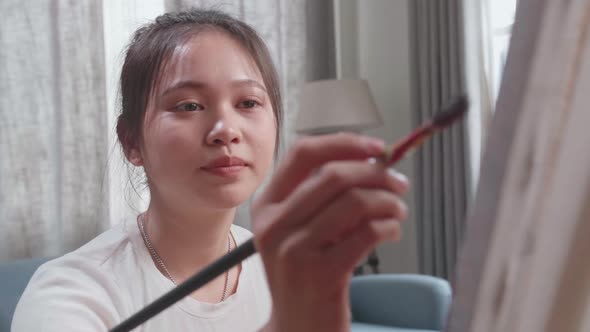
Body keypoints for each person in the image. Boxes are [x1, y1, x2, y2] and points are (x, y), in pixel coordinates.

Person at [12, 8, 409, 332]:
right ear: (132, 141)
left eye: (248, 103)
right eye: (188, 106)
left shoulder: (280, 269)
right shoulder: (71, 296)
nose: (226, 131)